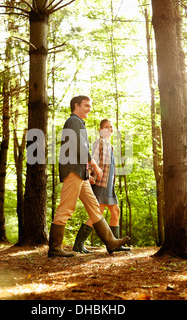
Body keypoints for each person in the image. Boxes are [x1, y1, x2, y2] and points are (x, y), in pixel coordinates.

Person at [48, 95, 130, 257]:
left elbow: (76, 149)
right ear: (76, 106)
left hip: (81, 173)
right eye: (86, 106)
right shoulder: (73, 121)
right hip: (73, 171)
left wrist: (88, 173)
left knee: (94, 208)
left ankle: (111, 242)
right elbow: (78, 146)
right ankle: (55, 247)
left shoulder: (78, 123)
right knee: (66, 207)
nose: (89, 109)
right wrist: (94, 165)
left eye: (90, 106)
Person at [73, 119, 131, 253]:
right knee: (97, 213)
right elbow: (91, 159)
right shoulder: (98, 143)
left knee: (115, 212)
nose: (109, 129)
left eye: (111, 127)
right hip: (100, 183)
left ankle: (114, 242)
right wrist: (89, 174)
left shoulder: (110, 146)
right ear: (100, 130)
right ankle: (79, 243)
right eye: (106, 127)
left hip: (109, 186)